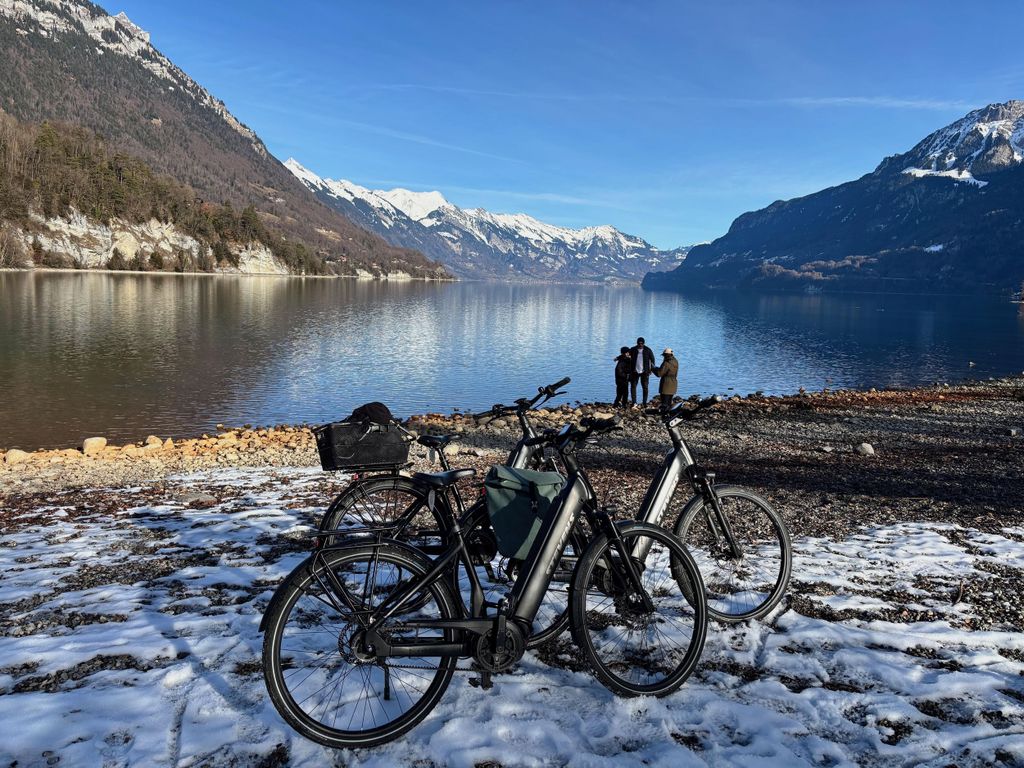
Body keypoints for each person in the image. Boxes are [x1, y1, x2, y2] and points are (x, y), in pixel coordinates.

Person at [629, 337, 655, 407]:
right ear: (637, 343)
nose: (640, 345)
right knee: (633, 387)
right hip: (634, 371)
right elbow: (626, 355)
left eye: (642, 343)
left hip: (645, 372)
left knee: (645, 387)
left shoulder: (648, 350)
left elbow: (652, 360)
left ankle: (644, 402)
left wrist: (651, 369)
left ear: (644, 343)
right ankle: (634, 402)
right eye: (639, 343)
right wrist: (618, 358)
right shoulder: (633, 349)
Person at [652, 348, 679, 414]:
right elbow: (666, 371)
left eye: (664, 355)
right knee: (669, 403)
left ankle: (664, 415)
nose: (663, 357)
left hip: (666, 385)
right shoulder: (676, 361)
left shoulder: (666, 363)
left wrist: (653, 368)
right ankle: (669, 414)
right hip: (673, 384)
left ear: (666, 355)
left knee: (664, 403)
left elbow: (659, 374)